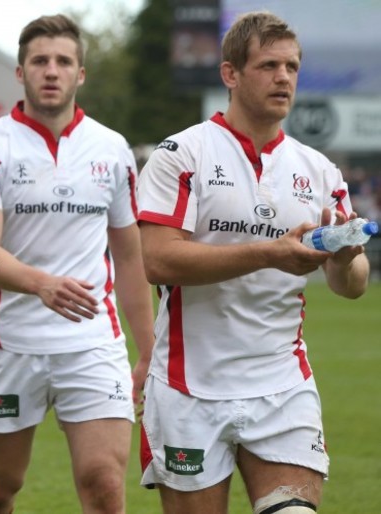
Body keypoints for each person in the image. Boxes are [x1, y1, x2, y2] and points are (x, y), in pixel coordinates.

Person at [136, 11, 371, 514]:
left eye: (291, 66)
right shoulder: (182, 154)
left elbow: (352, 286)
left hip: (282, 384)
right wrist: (270, 252)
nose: (283, 77)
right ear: (231, 74)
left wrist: (346, 259)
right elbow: (158, 261)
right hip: (188, 386)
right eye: (268, 65)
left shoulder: (320, 170)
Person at [0, 14, 155, 514]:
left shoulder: (112, 150)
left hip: (91, 342)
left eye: (63, 61)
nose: (52, 70)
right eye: (39, 61)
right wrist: (40, 284)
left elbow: (130, 257)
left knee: (104, 486)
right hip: (7, 342)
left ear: (80, 74)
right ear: (20, 71)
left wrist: (150, 350)